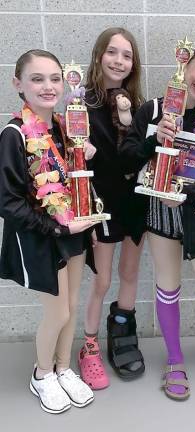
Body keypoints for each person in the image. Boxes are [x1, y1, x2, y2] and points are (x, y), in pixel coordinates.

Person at [119, 33, 195, 401]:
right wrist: (154, 139)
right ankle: (174, 360)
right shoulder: (152, 111)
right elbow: (127, 157)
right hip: (159, 216)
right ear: (185, 68)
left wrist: (192, 191)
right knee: (167, 287)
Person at [0, 49, 96, 414]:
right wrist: (55, 225)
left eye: (54, 78)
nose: (48, 86)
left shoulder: (67, 127)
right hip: (41, 236)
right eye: (37, 79)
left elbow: (73, 180)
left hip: (74, 230)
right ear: (18, 84)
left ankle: (63, 367)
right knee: (56, 313)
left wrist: (85, 154)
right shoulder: (13, 135)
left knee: (71, 308)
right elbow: (8, 203)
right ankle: (42, 374)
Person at [78, 27, 146, 390]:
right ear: (99, 55)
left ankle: (122, 333)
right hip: (101, 204)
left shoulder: (139, 105)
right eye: (113, 52)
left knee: (130, 273)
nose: (119, 60)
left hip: (135, 201)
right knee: (102, 280)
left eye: (127, 55)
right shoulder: (81, 103)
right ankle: (88, 346)